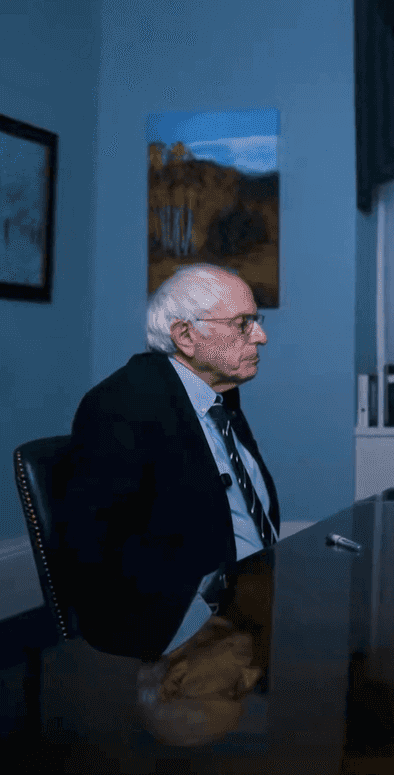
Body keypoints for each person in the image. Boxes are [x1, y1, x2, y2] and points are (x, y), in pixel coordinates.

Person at [52, 264, 278, 661]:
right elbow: (98, 552)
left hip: (254, 596)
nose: (261, 336)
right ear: (186, 336)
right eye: (243, 324)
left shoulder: (218, 392)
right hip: (186, 626)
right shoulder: (122, 406)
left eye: (255, 321)